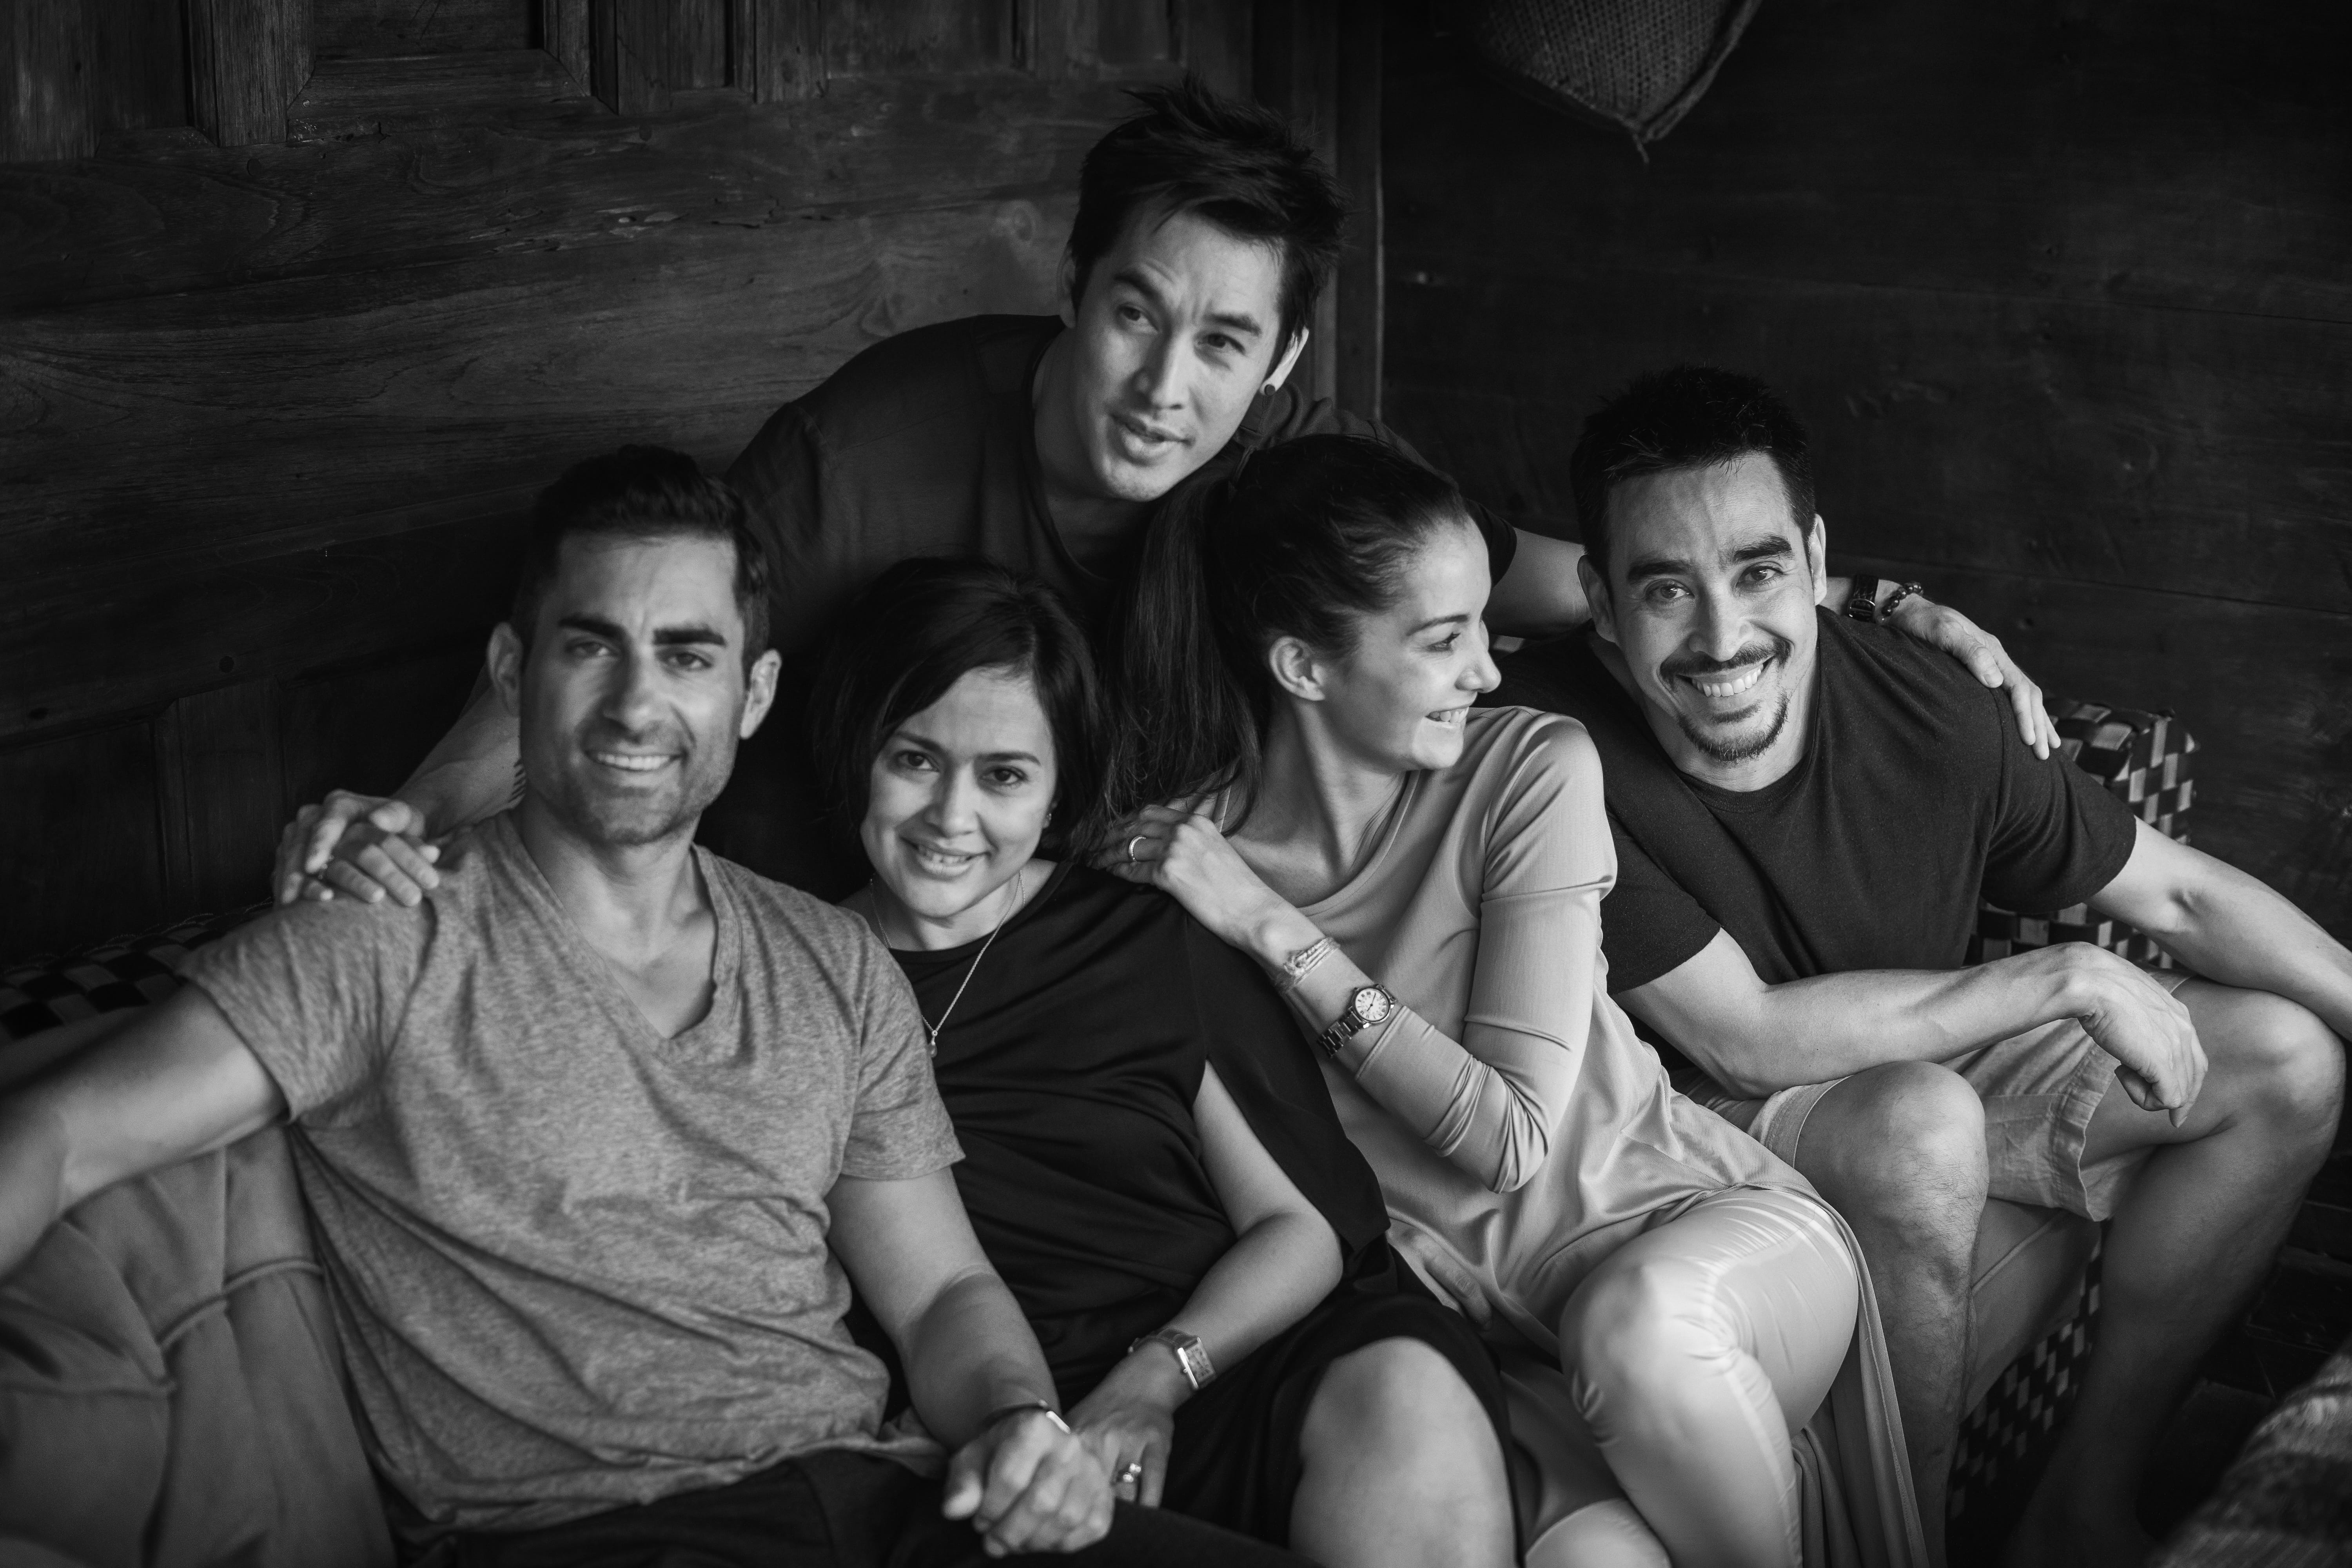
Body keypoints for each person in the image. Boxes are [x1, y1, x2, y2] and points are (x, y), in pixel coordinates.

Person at [271, 77, 2048, 907]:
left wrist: (1862, 604)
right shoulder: (871, 444)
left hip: (1114, 922)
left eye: (1222, 343)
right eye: (1136, 313)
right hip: (833, 913)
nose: (1163, 384)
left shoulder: (1291, 458)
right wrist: (408, 816)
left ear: (1278, 363)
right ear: (1075, 287)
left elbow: (1570, 574)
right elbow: (636, 649)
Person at [0, 449, 1317, 1568]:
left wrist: (1023, 1426)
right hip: (599, 1536)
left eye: (687, 655)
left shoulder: (832, 960)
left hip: (892, 1501)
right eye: (594, 647)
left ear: (753, 694)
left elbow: (941, 1299)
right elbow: (56, 1136)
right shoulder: (383, 933)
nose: (639, 704)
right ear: (514, 671)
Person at [1491, 365, 2350, 1568]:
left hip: (1909, 1060)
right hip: (1695, 1127)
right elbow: (1744, 1037)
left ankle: (2079, 1503)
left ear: (1815, 560)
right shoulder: (1549, 751)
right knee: (1917, 1125)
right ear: (1598, 598)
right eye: (1667, 589)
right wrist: (2063, 980)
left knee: (2290, 1064)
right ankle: (1915, 1543)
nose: (1723, 638)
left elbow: (2181, 893)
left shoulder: (1929, 703)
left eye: (1757, 572)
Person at [1100, 433, 1928, 1567]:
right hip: (1502, 1354)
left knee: (1640, 1337)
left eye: (1482, 630)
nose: (1488, 671)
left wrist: (1272, 931)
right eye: (1444, 641)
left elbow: (1510, 1138)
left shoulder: (1527, 769)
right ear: (1303, 667)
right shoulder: (1178, 869)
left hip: (1699, 1247)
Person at [804, 555, 1517, 1567]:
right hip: (990, 1418)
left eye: (1005, 775)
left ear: (1056, 791)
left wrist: (1150, 1385)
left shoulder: (1145, 940)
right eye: (915, 760)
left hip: (1223, 1364)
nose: (952, 818)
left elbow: (1300, 1230)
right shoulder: (793, 973)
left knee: (1406, 1389)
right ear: (858, 750)